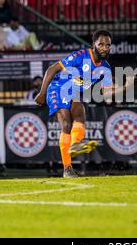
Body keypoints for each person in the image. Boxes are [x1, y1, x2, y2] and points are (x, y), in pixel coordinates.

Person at [34, 30, 117, 178]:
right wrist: (42, 93)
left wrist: (128, 85)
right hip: (58, 88)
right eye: (101, 44)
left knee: (80, 116)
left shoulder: (105, 67)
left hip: (74, 93)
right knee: (66, 124)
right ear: (94, 45)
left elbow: (108, 91)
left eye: (108, 45)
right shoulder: (80, 56)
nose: (105, 48)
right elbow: (52, 69)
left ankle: (74, 144)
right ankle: (67, 169)